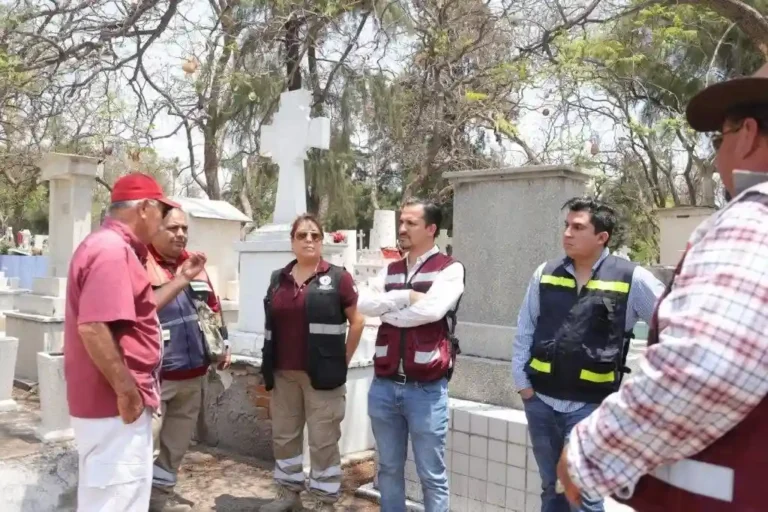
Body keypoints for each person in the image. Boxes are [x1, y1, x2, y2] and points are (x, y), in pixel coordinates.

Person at [556, 64, 768, 512]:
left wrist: (591, 453)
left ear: (748, 134)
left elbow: (707, 364)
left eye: (719, 138)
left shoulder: (752, 222)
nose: (715, 158)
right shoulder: (548, 272)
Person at [64, 173, 206, 512]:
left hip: (112, 405)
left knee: (117, 495)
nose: (162, 224)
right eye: (160, 212)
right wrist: (127, 392)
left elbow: (139, 311)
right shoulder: (112, 251)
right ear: (144, 209)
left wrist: (183, 278)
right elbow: (94, 327)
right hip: (114, 405)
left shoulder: (114, 248)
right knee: (117, 499)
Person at [512, 197, 664, 512]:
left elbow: (672, 327)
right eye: (566, 225)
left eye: (577, 227)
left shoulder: (631, 278)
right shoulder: (546, 272)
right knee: (551, 490)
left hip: (591, 406)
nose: (567, 233)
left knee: (582, 494)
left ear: (602, 237)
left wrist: (642, 392)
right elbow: (525, 328)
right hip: (541, 402)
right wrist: (523, 385)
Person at [358, 198, 465, 512]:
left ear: (431, 229)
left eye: (410, 223)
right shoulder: (390, 270)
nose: (402, 229)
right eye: (401, 222)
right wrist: (405, 296)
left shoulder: (449, 269)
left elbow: (431, 311)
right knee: (388, 469)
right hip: (384, 385)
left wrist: (387, 311)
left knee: (431, 475)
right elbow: (362, 303)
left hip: (426, 391)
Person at [260, 214, 365, 512]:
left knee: (323, 441)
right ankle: (287, 493)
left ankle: (323, 500)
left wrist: (342, 361)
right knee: (284, 437)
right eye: (302, 235)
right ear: (292, 241)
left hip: (322, 377)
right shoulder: (277, 279)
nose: (309, 240)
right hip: (283, 374)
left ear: (322, 242)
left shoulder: (339, 278)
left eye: (315, 236)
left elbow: (357, 322)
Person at [146, 207, 232, 512]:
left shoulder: (194, 264)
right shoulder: (141, 265)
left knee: (174, 449)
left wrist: (225, 343)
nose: (180, 234)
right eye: (172, 228)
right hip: (157, 381)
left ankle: (159, 501)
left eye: (184, 228)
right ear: (154, 229)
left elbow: (213, 305)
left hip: (193, 377)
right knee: (143, 450)